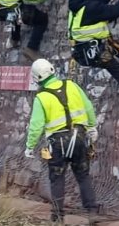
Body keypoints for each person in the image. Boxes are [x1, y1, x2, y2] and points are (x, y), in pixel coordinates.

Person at [24, 58, 100, 223]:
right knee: (83, 175)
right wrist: (92, 127)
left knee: (57, 178)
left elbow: (36, 126)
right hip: (79, 137)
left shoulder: (41, 98)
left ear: (36, 78)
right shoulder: (72, 86)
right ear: (52, 70)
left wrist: (30, 146)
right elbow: (88, 106)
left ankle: (58, 216)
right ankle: (92, 211)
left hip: (57, 143)